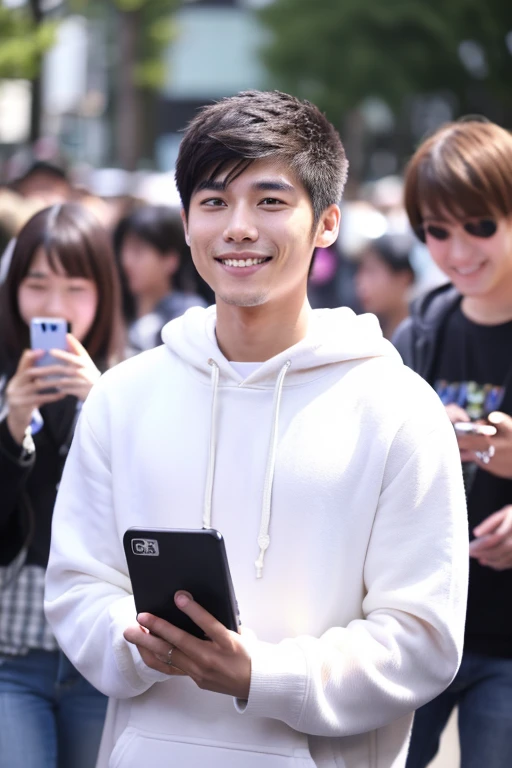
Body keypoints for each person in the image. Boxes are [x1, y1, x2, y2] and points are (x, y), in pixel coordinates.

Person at [45, 90, 468, 768]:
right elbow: (76, 584)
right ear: (186, 222)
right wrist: (132, 638)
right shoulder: (122, 397)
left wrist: (261, 676)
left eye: (270, 201)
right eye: (214, 202)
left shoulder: (398, 409)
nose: (238, 227)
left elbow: (422, 638)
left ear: (327, 223)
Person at [392, 119, 512, 768]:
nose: (458, 250)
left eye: (480, 226)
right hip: (422, 624)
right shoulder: (418, 335)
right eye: (437, 231)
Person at [0, 203, 124, 768]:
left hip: (102, 651)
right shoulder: (5, 386)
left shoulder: (130, 386)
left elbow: (143, 514)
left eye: (76, 287)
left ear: (103, 293)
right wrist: (11, 427)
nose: (55, 307)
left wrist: (101, 407)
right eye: (37, 284)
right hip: (10, 649)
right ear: (13, 291)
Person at [114, 205, 208, 353]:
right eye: (123, 250)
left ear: (170, 260)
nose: (126, 261)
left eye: (138, 251)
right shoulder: (118, 310)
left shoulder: (186, 316)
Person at [355, 235, 415, 339]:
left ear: (404, 279)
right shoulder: (366, 335)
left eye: (371, 271)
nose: (360, 282)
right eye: (361, 271)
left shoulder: (424, 337)